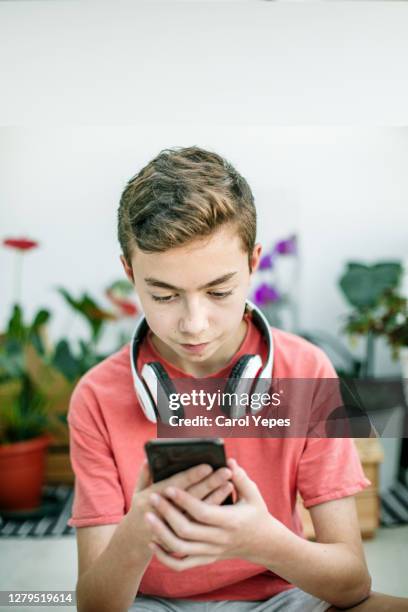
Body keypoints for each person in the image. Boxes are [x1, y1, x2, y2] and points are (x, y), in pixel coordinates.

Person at [68, 147, 408, 612]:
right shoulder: (95, 396)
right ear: (130, 272)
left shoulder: (306, 370)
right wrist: (137, 532)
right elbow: (94, 605)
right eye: (164, 295)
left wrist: (261, 541)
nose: (195, 323)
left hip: (284, 599)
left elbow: (351, 584)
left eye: (219, 291)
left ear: (253, 263)